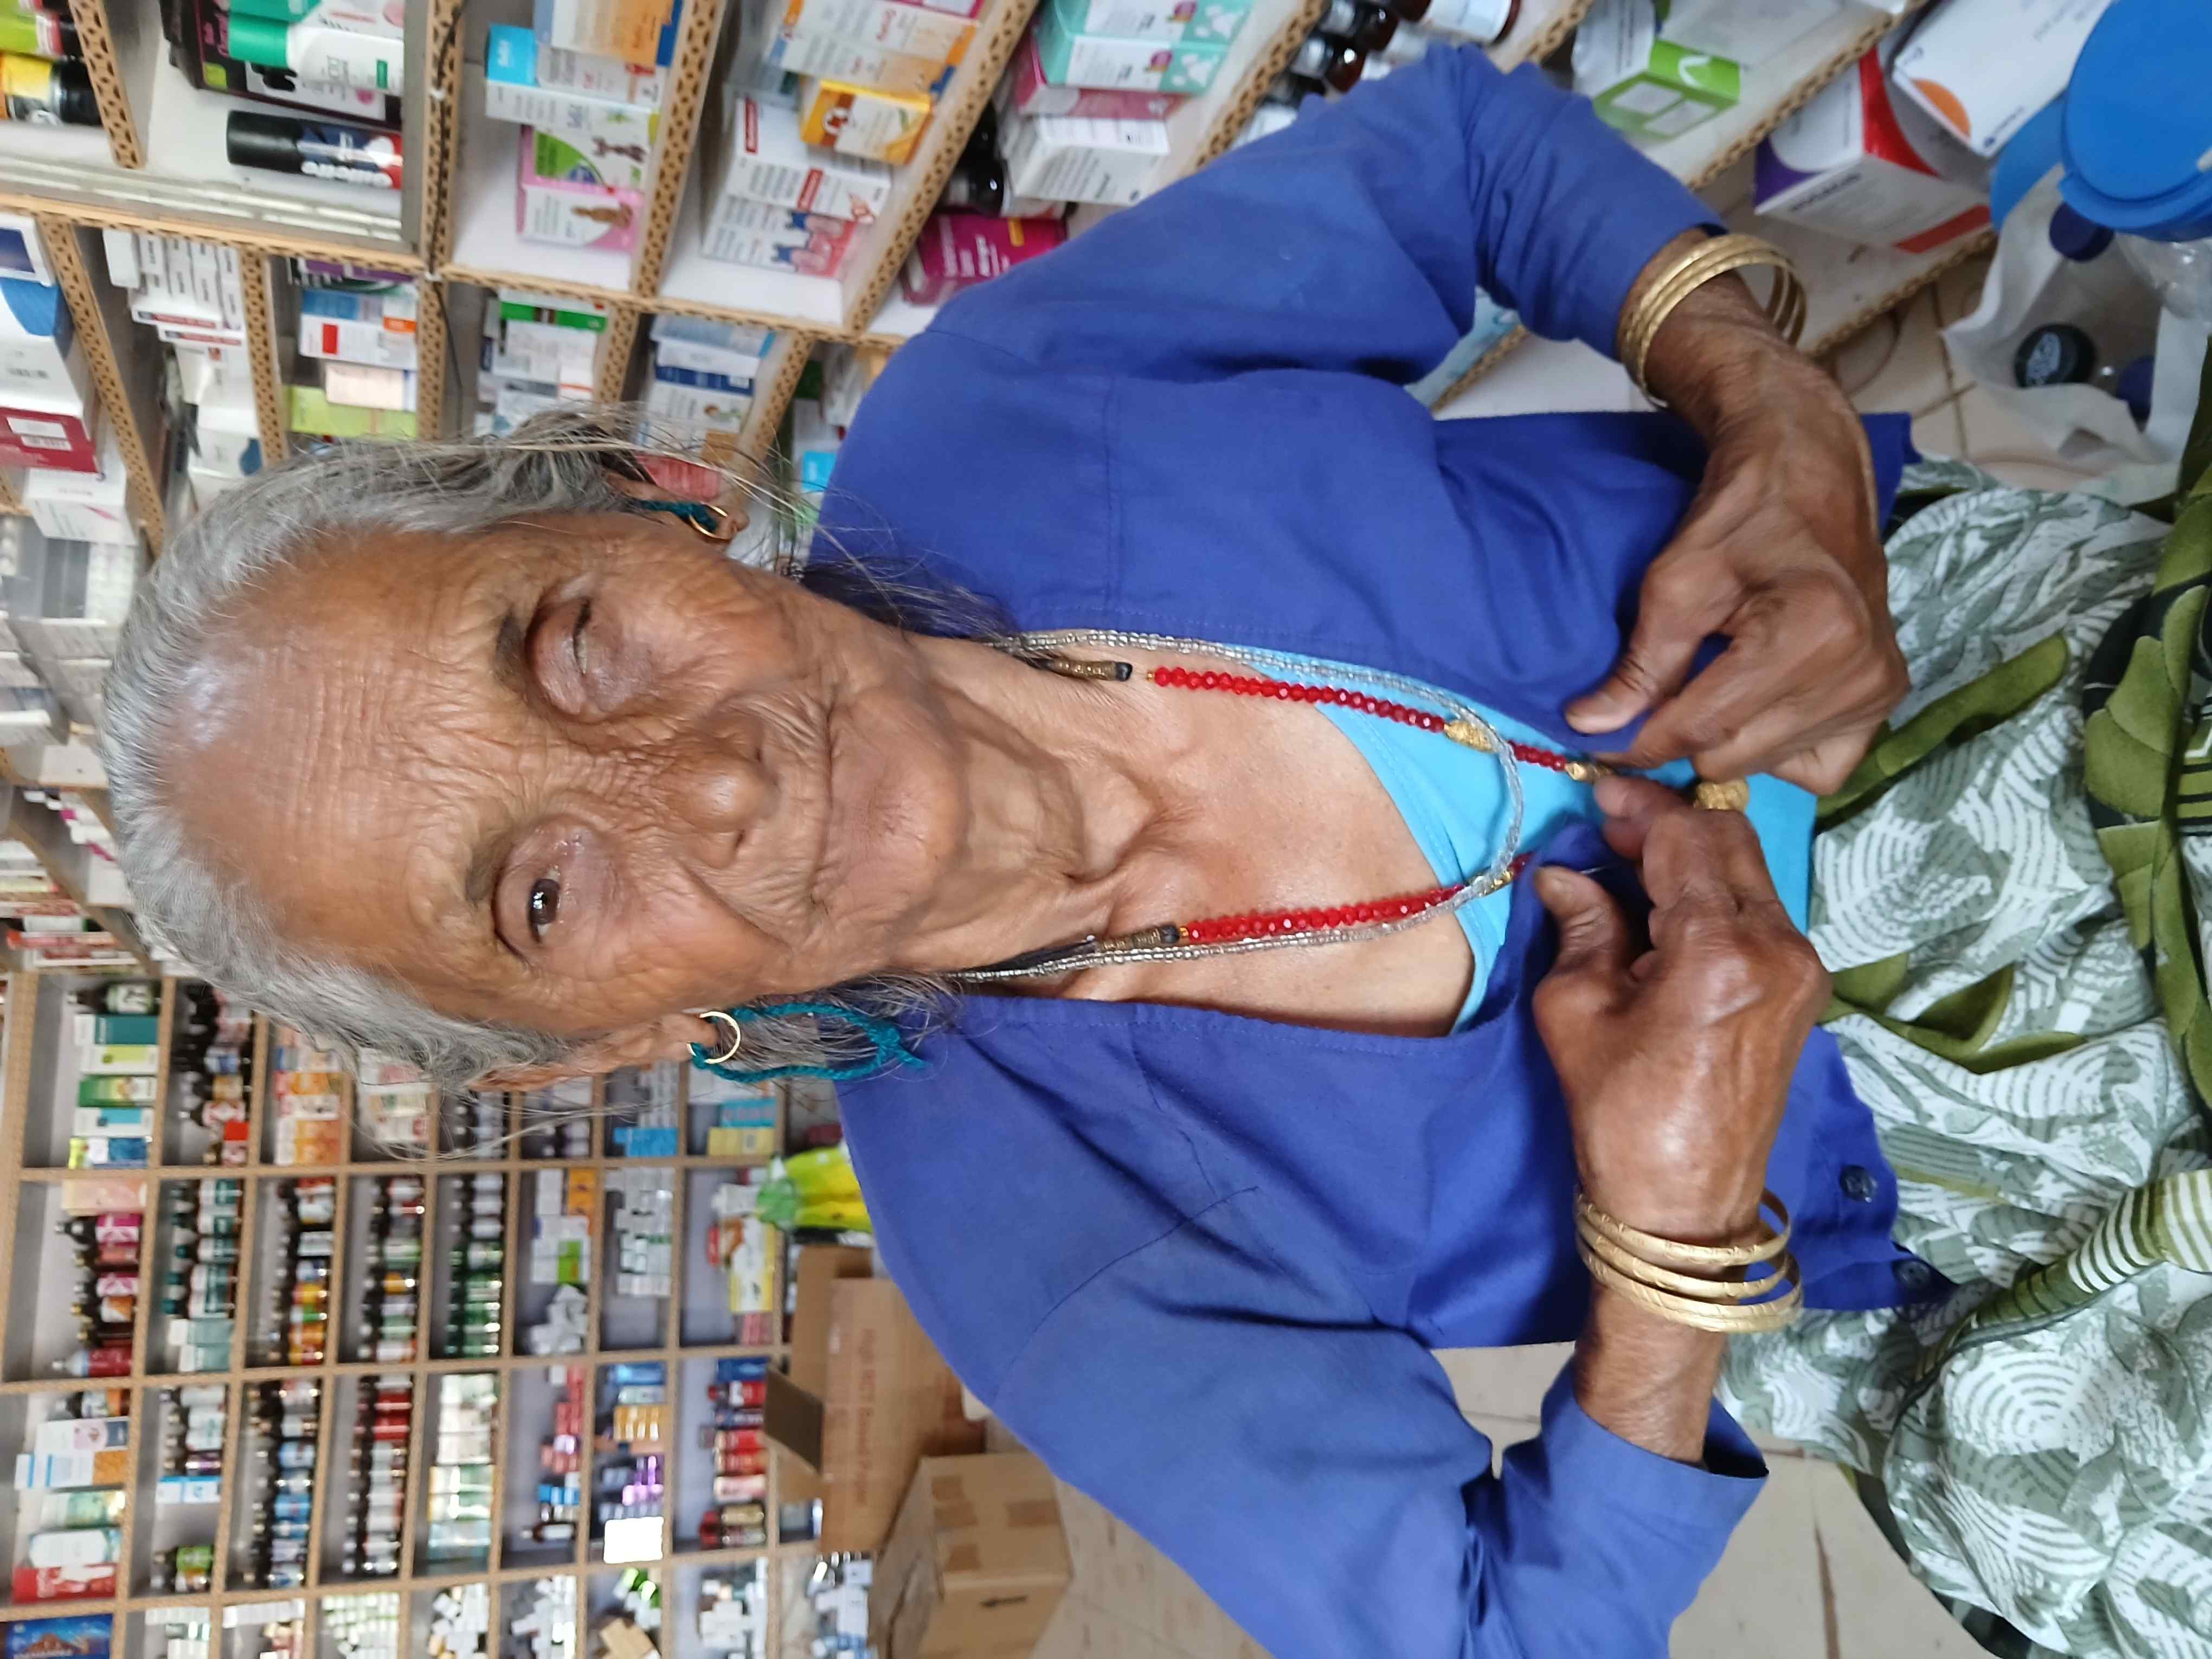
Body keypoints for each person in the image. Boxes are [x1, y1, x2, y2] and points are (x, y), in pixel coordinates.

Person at [98, 42, 2212, 1659]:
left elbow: (1465, 152)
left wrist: (1770, 411)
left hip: (2058, 646)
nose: (704, 786)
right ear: (598, 1041)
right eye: (544, 894)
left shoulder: (1007, 411)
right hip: (2072, 1187)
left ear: (640, 507)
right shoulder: (1033, 1247)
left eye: (572, 643)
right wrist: (1665, 1259)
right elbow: (1509, 1634)